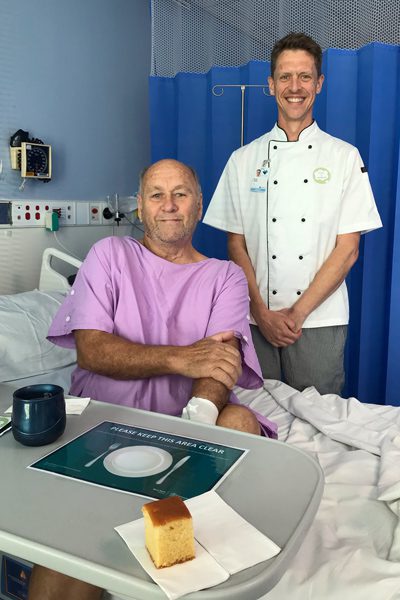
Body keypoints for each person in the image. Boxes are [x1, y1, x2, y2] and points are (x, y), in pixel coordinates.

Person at [27, 159, 276, 600]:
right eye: (156, 195)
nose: (169, 205)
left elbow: (220, 363)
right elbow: (93, 349)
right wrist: (183, 358)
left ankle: (192, 550)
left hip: (189, 424)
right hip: (107, 423)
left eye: (180, 193)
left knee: (239, 421)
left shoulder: (225, 276)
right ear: (140, 207)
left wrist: (195, 423)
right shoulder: (110, 255)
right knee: (70, 557)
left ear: (198, 206)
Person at [203, 32, 382, 395]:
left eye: (304, 76)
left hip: (318, 320)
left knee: (319, 422)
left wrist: (296, 314)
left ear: (319, 83)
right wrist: (263, 314)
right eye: (285, 76)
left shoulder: (344, 158)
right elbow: (236, 245)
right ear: (271, 85)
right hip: (257, 319)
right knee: (257, 415)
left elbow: (348, 250)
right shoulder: (243, 160)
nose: (294, 86)